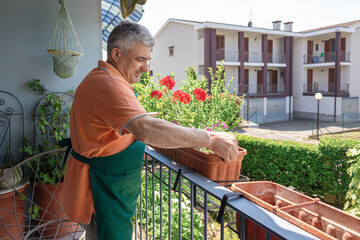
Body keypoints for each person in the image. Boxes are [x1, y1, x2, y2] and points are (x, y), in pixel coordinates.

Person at [62, 21, 240, 240]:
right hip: (101, 189)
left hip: (107, 184)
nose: (146, 68)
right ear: (116, 54)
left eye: (148, 60)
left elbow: (133, 125)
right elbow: (146, 129)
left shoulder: (102, 78)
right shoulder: (108, 84)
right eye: (140, 59)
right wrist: (210, 139)